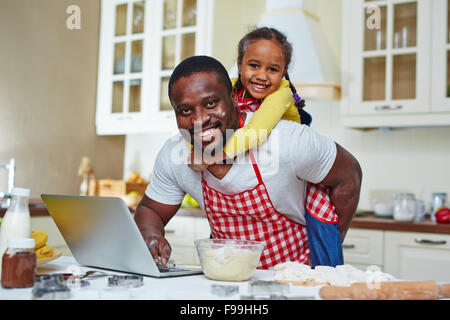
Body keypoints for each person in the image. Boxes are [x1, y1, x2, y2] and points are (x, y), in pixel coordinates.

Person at [134, 55, 362, 269]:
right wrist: (152, 236)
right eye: (185, 110)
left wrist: (332, 240)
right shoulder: (175, 154)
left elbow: (350, 174)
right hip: (229, 280)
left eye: (211, 104)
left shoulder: (286, 140)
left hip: (295, 280)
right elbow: (149, 209)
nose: (199, 120)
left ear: (233, 96)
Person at [188, 27, 342, 268]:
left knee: (319, 218)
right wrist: (194, 146)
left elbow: (257, 131)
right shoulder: (227, 88)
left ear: (284, 73)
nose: (262, 75)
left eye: (272, 69)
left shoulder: (282, 93)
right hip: (246, 161)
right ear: (239, 65)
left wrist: (211, 154)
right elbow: (201, 117)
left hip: (291, 172)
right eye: (254, 65)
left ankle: (325, 272)